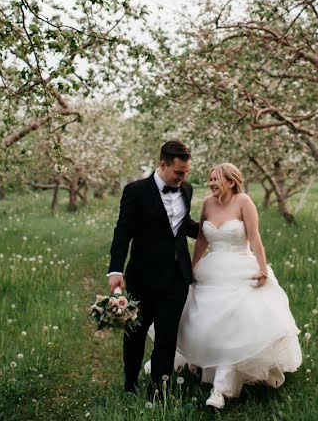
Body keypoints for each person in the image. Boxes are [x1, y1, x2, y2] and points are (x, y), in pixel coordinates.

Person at [177, 162, 302, 409]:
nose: (211, 183)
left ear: (231, 182)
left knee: (235, 324)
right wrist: (192, 267)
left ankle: (221, 389)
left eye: (215, 179)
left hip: (240, 268)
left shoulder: (244, 201)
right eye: (210, 179)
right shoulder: (207, 204)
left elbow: (255, 238)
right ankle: (207, 365)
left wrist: (263, 269)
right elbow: (202, 239)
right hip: (212, 271)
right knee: (203, 321)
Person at [107, 140, 199, 396]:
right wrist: (115, 270)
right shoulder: (135, 191)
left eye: (186, 173)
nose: (183, 178)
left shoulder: (187, 190)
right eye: (178, 172)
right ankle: (130, 385)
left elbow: (182, 224)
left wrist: (216, 228)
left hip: (177, 277)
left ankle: (159, 388)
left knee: (167, 337)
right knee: (135, 334)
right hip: (143, 276)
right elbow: (122, 232)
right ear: (162, 165)